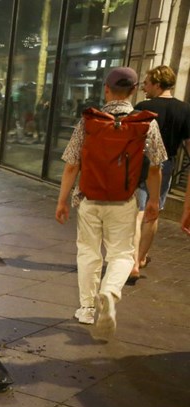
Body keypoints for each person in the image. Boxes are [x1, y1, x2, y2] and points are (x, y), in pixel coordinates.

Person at [55, 67, 166, 340]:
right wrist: (153, 199)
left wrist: (63, 201)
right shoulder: (146, 123)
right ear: (134, 90)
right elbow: (156, 166)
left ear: (106, 89)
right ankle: (110, 292)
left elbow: (72, 165)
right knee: (122, 254)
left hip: (90, 199)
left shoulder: (88, 121)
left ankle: (87, 308)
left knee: (88, 253)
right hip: (124, 200)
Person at [129, 65, 190, 280]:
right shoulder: (184, 109)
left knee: (137, 212)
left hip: (141, 163)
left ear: (156, 83)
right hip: (166, 163)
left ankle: (133, 262)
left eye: (146, 83)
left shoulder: (143, 106)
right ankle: (142, 258)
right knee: (153, 211)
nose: (144, 87)